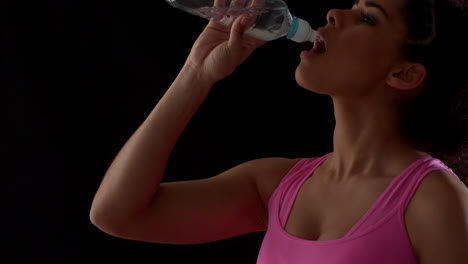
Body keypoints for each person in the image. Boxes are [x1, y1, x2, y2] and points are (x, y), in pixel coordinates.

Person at [90, 0, 468, 263]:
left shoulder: (434, 199)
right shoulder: (276, 185)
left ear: (404, 73)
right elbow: (119, 215)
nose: (334, 14)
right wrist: (197, 74)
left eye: (367, 18)